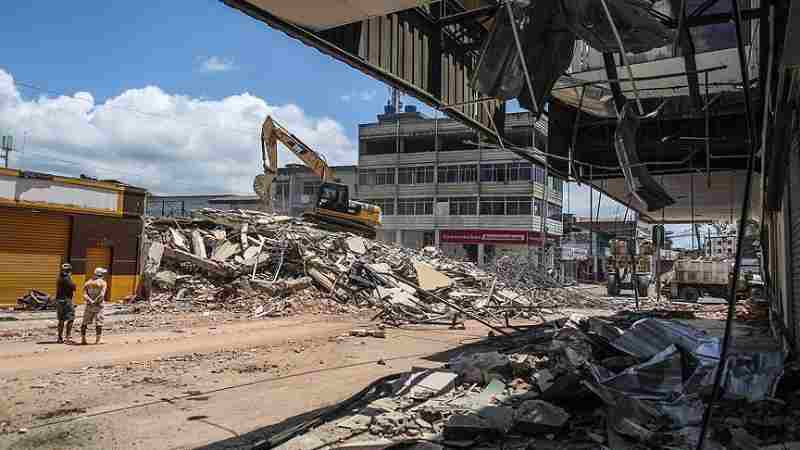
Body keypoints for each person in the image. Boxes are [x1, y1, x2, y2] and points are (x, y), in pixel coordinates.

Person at [81, 267, 108, 345]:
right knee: (99, 323)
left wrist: (90, 301)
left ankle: (83, 339)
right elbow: (102, 295)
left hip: (89, 306)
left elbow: (84, 294)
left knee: (84, 323)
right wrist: (95, 301)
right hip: (98, 305)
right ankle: (98, 340)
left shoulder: (88, 282)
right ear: (101, 274)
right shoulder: (103, 283)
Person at [55, 263, 76, 343]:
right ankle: (68, 337)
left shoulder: (59, 278)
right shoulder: (67, 278)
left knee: (61, 320)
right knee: (71, 318)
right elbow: (73, 287)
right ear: (69, 271)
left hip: (59, 300)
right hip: (66, 300)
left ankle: (59, 338)